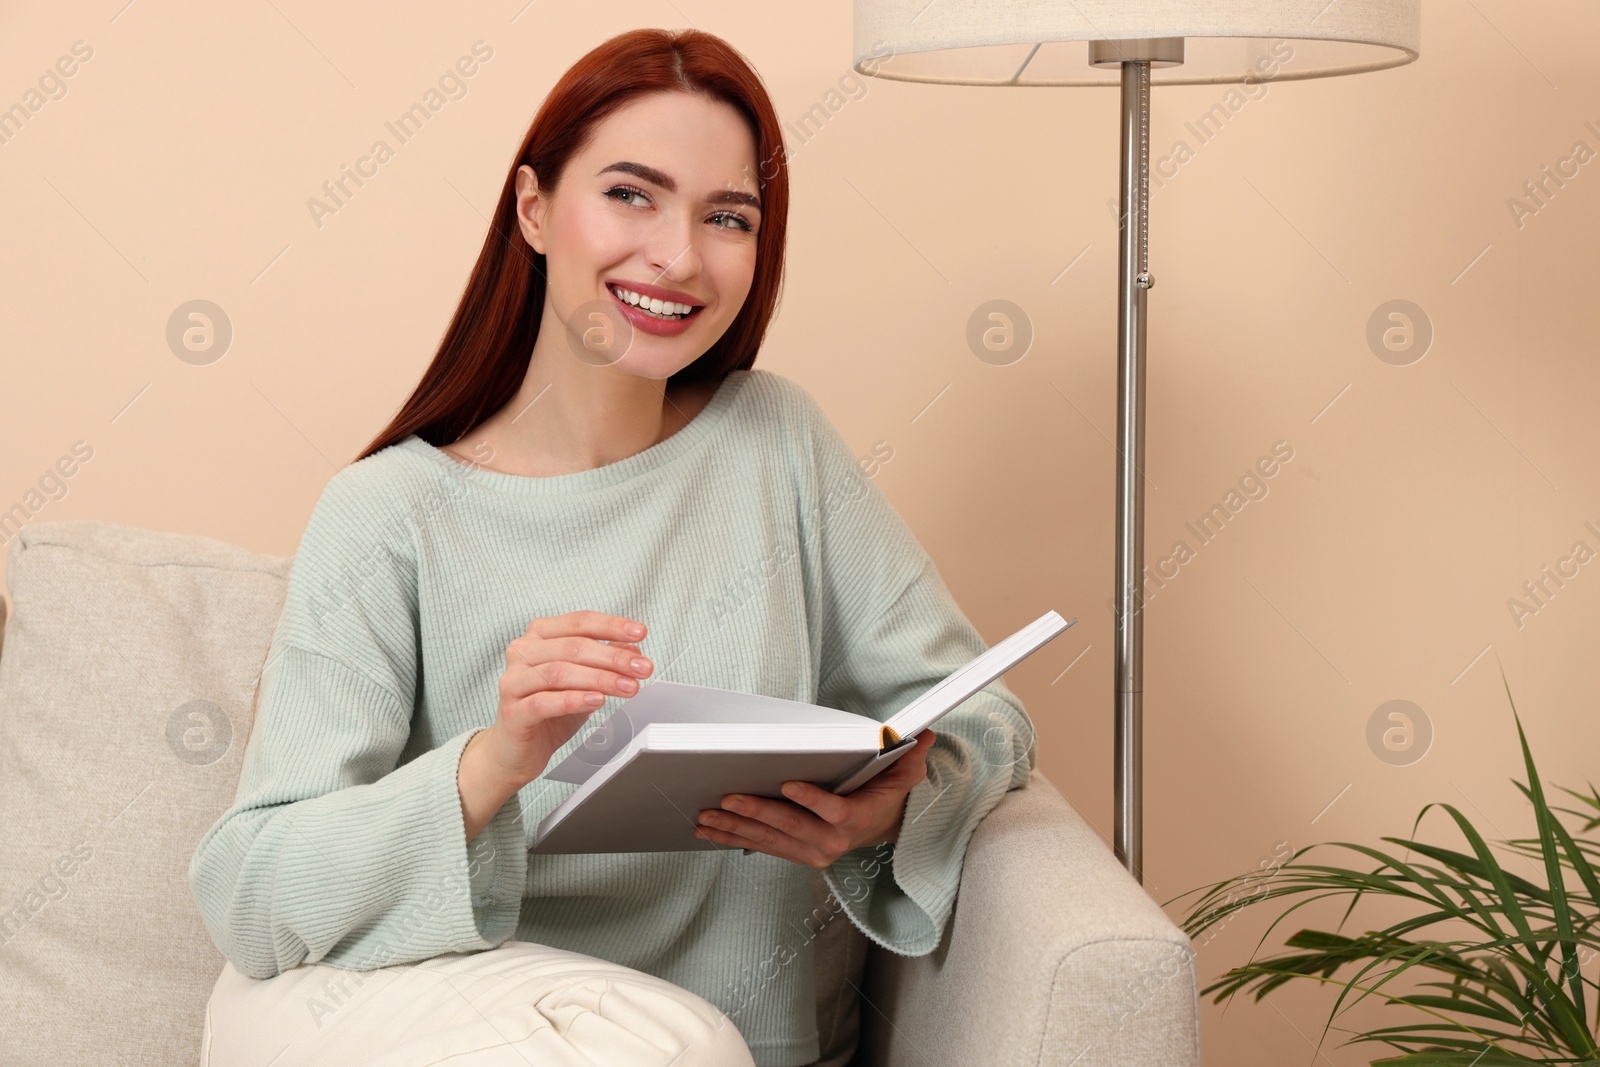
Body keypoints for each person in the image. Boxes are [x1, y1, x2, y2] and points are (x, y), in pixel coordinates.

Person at [188, 26, 1038, 1067]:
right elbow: (252, 886)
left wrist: (884, 808)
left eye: (727, 216)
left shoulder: (773, 442)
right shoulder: (386, 511)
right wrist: (496, 760)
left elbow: (986, 712)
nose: (678, 256)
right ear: (535, 209)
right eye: (631, 194)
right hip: (462, 1027)